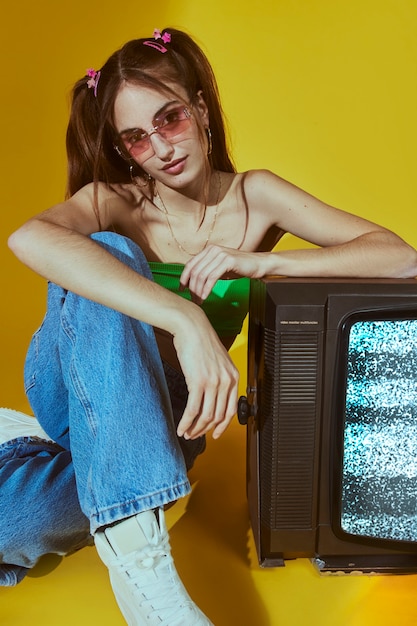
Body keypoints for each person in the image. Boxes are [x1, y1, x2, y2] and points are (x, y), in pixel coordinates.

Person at [2, 26, 417, 625]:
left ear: (199, 108)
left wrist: (264, 260)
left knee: (24, 525)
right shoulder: (114, 199)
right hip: (71, 386)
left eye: (170, 119)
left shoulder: (255, 197)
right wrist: (186, 317)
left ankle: (24, 451)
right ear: (124, 149)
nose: (163, 147)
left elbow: (399, 255)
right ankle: (148, 579)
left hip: (168, 422)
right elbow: (28, 237)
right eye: (138, 138)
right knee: (110, 251)